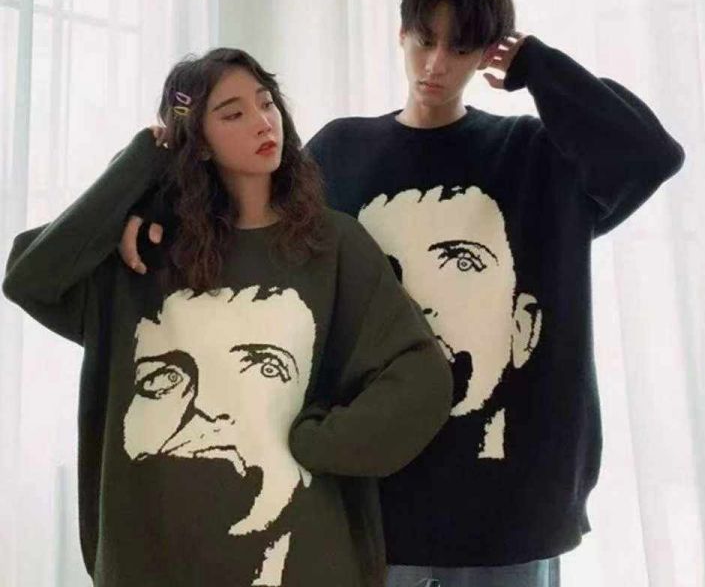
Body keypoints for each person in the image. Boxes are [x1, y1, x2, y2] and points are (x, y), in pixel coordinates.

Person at [118, 0, 685, 587]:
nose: (436, 64)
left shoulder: (533, 158)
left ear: (488, 54)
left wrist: (539, 67)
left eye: (461, 47)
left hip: (512, 506)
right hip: (373, 493)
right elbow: (242, 219)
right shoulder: (340, 152)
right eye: (424, 40)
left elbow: (650, 155)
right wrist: (155, 213)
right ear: (401, 35)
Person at [3, 48, 453, 587]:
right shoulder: (147, 252)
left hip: (306, 562)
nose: (262, 122)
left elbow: (419, 374)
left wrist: (323, 442)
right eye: (233, 113)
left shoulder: (332, 245)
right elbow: (30, 278)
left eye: (266, 103)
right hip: (155, 557)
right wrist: (143, 162)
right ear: (197, 142)